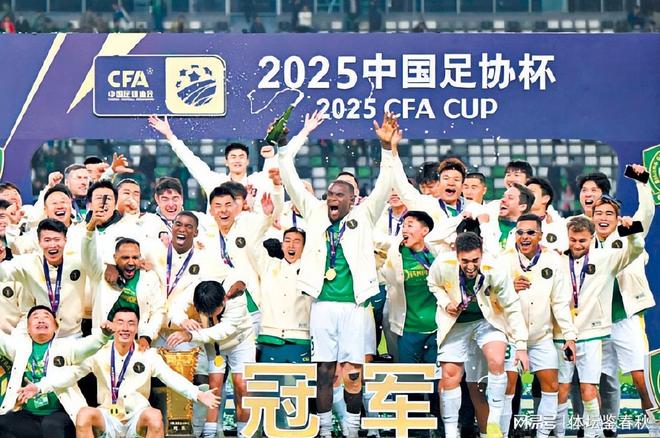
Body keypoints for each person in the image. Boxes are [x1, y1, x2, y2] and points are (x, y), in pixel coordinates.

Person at [278, 111, 394, 438]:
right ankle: (326, 430)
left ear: (352, 200)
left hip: (356, 306)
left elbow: (385, 185)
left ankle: (353, 429)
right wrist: (288, 144)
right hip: (323, 305)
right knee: (324, 371)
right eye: (330, 194)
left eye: (339, 195)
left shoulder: (364, 216)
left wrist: (387, 149)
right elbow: (288, 175)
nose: (332, 198)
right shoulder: (314, 213)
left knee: (354, 373)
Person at [35, 307, 220, 438]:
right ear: (112, 326)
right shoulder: (99, 352)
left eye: (131, 323)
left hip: (137, 416)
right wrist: (39, 387)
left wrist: (198, 394)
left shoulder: (148, 354)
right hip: (108, 416)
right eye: (120, 323)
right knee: (84, 415)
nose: (125, 328)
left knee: (154, 416)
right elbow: (72, 374)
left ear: (137, 328)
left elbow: (171, 377)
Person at [427, 231, 529, 438]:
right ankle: (451, 433)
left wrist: (521, 345)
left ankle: (494, 420)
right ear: (456, 254)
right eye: (465, 261)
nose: (471, 266)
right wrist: (445, 302)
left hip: (487, 321)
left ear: (482, 254)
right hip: (455, 324)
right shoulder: (443, 264)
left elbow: (511, 305)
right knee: (450, 376)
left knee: (497, 360)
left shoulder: (495, 268)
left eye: (475, 260)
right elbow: (433, 284)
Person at [554, 215, 644, 438]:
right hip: (562, 334)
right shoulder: (556, 260)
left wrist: (632, 234)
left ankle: (593, 433)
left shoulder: (605, 258)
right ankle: (557, 433)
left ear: (592, 238)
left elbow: (634, 251)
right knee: (561, 389)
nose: (577, 245)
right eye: (573, 240)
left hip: (592, 334)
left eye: (582, 241)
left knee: (589, 388)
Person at [591, 166, 657, 435]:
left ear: (618, 218)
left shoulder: (629, 234)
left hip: (626, 319)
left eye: (609, 213)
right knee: (592, 382)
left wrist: (642, 182)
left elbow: (647, 211)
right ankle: (598, 430)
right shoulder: (584, 243)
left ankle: (655, 429)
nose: (603, 217)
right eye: (598, 213)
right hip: (595, 324)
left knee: (642, 379)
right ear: (592, 217)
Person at [501, 214, 577, 438]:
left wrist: (570, 336)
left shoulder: (554, 261)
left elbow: (560, 303)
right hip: (510, 337)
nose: (524, 237)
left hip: (541, 338)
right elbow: (489, 295)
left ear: (541, 235)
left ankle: (542, 435)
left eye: (530, 232)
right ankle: (502, 434)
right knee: (507, 388)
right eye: (520, 232)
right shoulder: (503, 261)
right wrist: (509, 287)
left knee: (551, 387)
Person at [0, 305, 115, 438]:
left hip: (60, 413)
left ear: (56, 326)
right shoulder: (19, 347)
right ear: (28, 328)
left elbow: (86, 346)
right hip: (28, 414)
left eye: (46, 317)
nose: (41, 320)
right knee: (3, 423)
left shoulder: (66, 346)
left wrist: (103, 335)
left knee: (51, 425)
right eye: (35, 317)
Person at [167, 280, 252, 438]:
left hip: (240, 342)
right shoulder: (198, 292)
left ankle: (244, 433)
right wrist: (183, 320)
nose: (211, 316)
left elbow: (222, 331)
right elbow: (175, 306)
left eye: (214, 312)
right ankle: (210, 434)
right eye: (206, 313)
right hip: (213, 344)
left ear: (223, 300)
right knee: (214, 386)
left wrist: (189, 335)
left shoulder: (237, 300)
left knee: (242, 386)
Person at [380, 210, 441, 431]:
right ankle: (415, 427)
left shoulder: (436, 253)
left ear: (424, 231)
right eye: (403, 225)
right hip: (407, 328)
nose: (405, 229)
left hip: (436, 328)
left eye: (411, 224)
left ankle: (439, 425)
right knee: (410, 381)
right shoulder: (395, 254)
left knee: (437, 381)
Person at [148, 115, 277, 213]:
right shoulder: (216, 182)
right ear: (226, 162)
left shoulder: (257, 181)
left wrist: (274, 140)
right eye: (233, 157)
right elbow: (191, 161)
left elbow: (273, 173)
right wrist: (170, 136)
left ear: (247, 161)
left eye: (241, 157)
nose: (237, 160)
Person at [83, 211, 165, 348]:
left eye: (135, 257)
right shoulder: (100, 274)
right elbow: (88, 254)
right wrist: (90, 229)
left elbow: (158, 310)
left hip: (135, 344)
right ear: (114, 258)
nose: (131, 262)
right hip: (103, 345)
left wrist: (147, 337)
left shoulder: (149, 277)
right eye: (125, 258)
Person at [0, 219, 87, 338]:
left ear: (65, 240)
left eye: (57, 239)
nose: (52, 245)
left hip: (72, 335)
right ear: (39, 242)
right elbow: (4, 273)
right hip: (39, 335)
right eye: (47, 240)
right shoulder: (28, 263)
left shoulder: (78, 261)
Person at [248, 226, 312, 363]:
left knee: (302, 377)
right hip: (269, 336)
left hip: (301, 337)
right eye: (287, 241)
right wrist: (268, 218)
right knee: (269, 377)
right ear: (282, 245)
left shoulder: (311, 269)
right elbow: (252, 243)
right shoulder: (268, 265)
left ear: (304, 247)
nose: (291, 245)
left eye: (297, 241)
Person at [525, 177, 567, 251]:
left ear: (545, 199)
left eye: (531, 192)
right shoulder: (515, 223)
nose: (526, 196)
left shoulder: (560, 226)